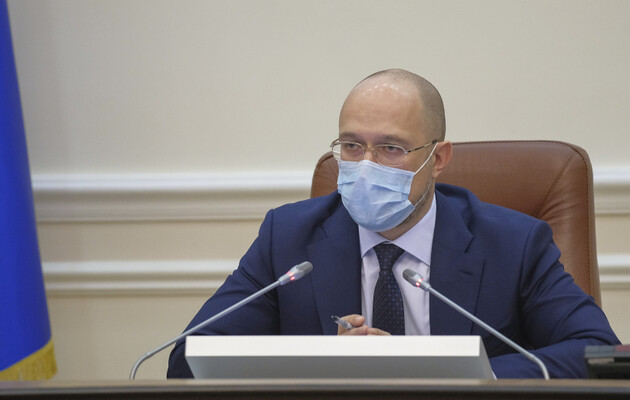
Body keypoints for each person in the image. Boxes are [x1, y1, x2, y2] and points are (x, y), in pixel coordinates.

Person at [167, 69, 619, 378]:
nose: (366, 165)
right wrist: (323, 363)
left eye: (391, 149)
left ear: (437, 159)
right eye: (351, 146)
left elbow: (597, 352)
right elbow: (188, 359)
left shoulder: (512, 243)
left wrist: (447, 373)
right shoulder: (288, 238)